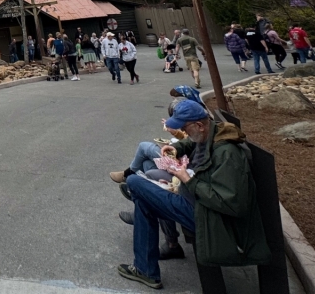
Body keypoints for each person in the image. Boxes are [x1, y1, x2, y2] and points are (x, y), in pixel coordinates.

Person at [116, 100, 271, 289]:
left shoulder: (227, 155)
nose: (183, 132)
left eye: (185, 128)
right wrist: (177, 148)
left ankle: (147, 268)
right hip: (196, 204)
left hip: (209, 219)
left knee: (135, 183)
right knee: (145, 199)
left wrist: (189, 181)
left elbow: (232, 204)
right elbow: (193, 142)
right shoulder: (212, 132)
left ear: (199, 125)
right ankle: (146, 269)